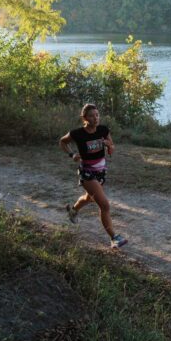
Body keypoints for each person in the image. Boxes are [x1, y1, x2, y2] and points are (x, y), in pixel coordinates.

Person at [60, 104, 127, 249]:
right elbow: (62, 142)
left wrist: (109, 144)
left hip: (101, 171)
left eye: (97, 115)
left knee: (89, 198)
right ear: (84, 118)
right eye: (91, 115)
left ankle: (73, 211)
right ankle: (114, 238)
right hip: (87, 172)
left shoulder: (103, 130)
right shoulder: (77, 133)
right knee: (104, 205)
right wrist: (72, 154)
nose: (95, 118)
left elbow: (112, 147)